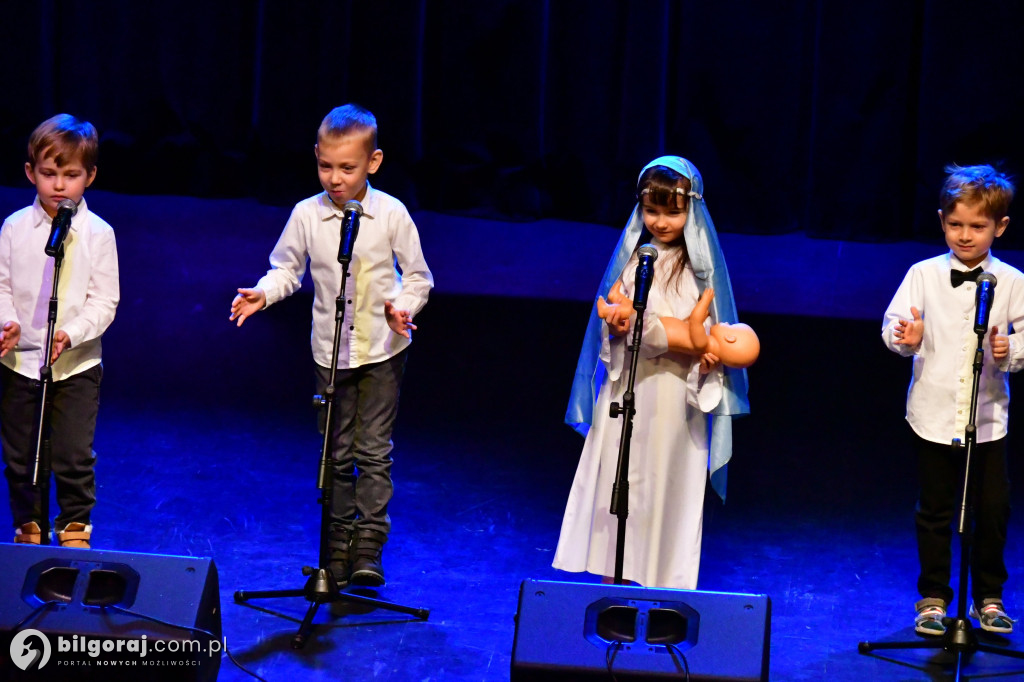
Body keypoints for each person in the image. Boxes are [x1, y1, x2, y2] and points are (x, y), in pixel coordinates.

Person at [230, 104, 433, 588]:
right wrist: (265, 292)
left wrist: (402, 307)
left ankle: (368, 545)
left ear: (374, 162)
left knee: (373, 450)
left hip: (383, 350)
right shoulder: (307, 214)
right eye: (326, 166)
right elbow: (286, 269)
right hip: (330, 353)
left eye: (348, 168)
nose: (335, 179)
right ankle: (336, 544)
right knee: (335, 452)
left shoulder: (390, 214)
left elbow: (419, 277)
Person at [554, 156, 750, 589]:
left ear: (692, 211)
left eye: (673, 211)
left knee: (668, 490)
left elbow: (716, 337)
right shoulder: (635, 262)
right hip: (632, 392)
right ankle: (614, 580)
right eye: (652, 210)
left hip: (676, 402)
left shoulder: (701, 274)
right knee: (619, 483)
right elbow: (615, 327)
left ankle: (663, 589)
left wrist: (704, 356)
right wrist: (619, 327)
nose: (660, 222)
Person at [883, 164, 1023, 636]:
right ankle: (933, 597)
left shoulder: (1014, 282)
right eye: (955, 224)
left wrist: (1011, 349)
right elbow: (893, 329)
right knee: (936, 510)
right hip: (933, 416)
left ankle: (989, 596)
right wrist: (909, 336)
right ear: (942, 220)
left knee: (993, 509)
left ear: (999, 227)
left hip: (986, 421)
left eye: (977, 226)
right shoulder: (922, 275)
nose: (965, 235)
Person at [0, 114, 119, 548]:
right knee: (22, 456)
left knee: (71, 454)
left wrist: (71, 332)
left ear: (89, 176)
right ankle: (28, 527)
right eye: (49, 174)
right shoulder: (14, 228)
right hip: (19, 362)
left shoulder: (99, 234)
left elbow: (105, 300)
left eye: (71, 175)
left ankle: (74, 528)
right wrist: (6, 323)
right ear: (31, 172)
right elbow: (2, 285)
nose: (58, 186)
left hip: (75, 365)